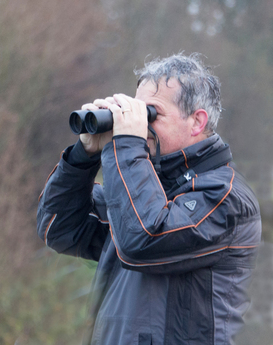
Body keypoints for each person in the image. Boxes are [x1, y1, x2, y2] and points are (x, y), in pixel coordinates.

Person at [36, 53, 262, 345]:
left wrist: (127, 144)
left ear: (197, 121)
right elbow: (58, 228)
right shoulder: (141, 189)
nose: (141, 124)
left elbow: (143, 240)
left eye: (151, 113)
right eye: (136, 113)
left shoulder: (227, 198)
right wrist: (83, 157)